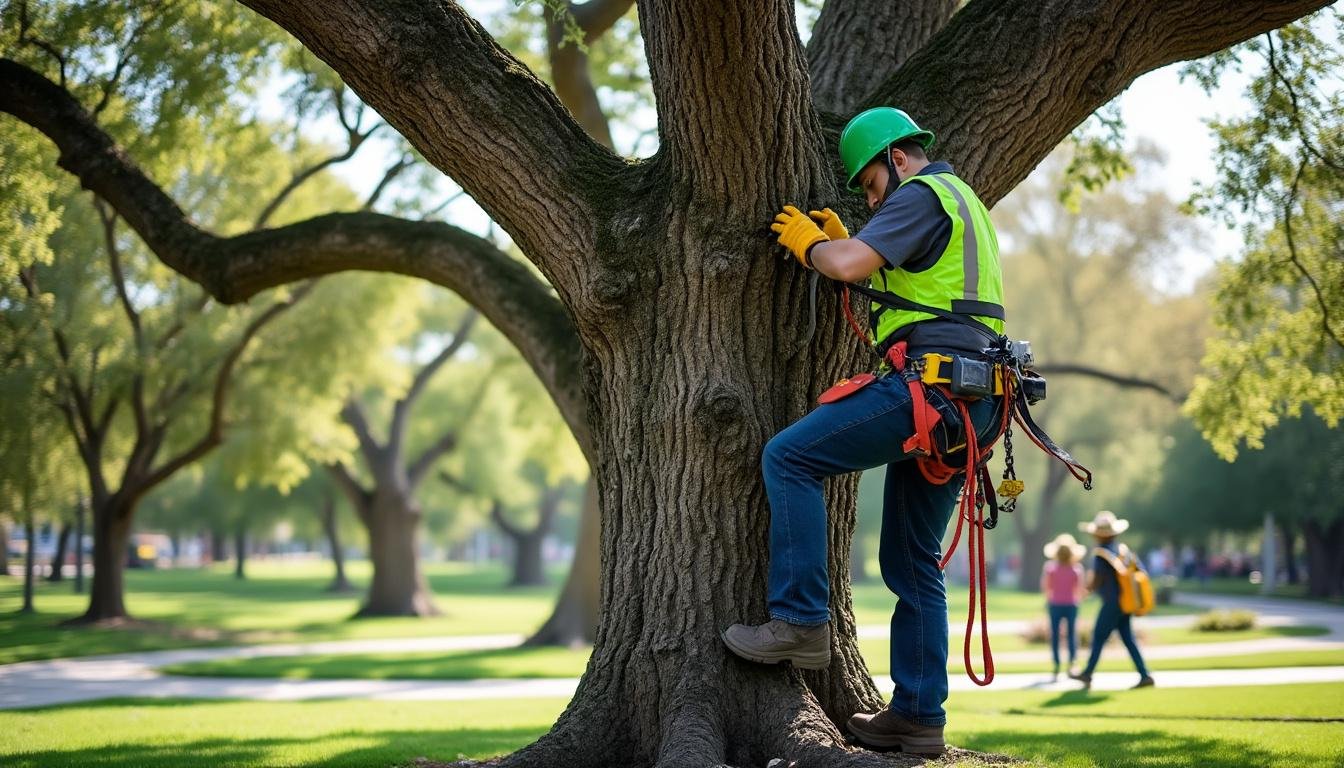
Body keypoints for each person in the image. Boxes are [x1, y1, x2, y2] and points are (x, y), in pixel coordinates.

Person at [720, 107, 1007, 757]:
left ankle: (799, 621)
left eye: (872, 187)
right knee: (910, 561)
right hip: (974, 399)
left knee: (789, 457)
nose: (874, 200)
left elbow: (848, 265)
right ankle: (917, 717)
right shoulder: (963, 205)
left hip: (930, 388)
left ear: (897, 159)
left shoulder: (922, 191)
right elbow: (912, 282)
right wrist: (854, 239)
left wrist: (818, 247)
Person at [1070, 511, 1155, 690]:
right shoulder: (1123, 550)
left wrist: (1087, 590)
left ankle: (1088, 673)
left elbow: (1098, 578)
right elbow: (1140, 570)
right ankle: (1144, 674)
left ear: (1096, 535)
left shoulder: (1101, 554)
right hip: (1126, 601)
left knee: (1099, 636)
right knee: (1128, 638)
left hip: (1111, 602)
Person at [1041, 533, 1087, 681]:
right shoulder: (1076, 569)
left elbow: (1046, 587)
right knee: (1071, 634)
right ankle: (1072, 663)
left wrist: (1050, 599)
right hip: (1071, 604)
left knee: (1055, 635)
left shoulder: (1051, 568)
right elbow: (1080, 590)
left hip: (1055, 604)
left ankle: (1056, 664)